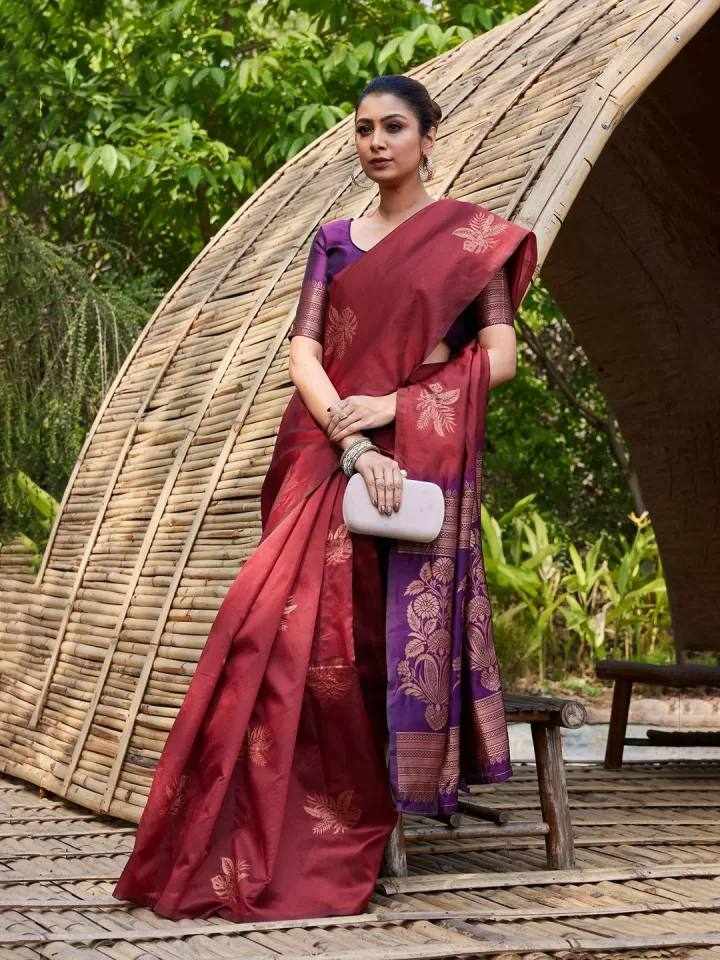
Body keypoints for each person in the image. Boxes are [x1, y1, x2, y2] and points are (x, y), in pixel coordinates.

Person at [113, 73, 537, 922]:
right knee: (270, 633)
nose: (376, 142)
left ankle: (353, 819)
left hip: (418, 448)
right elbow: (304, 352)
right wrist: (351, 439)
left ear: (428, 137)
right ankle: (253, 832)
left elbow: (501, 358)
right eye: (364, 129)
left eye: (394, 127)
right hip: (323, 448)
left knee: (370, 641)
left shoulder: (472, 240)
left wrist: (397, 409)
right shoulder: (334, 240)